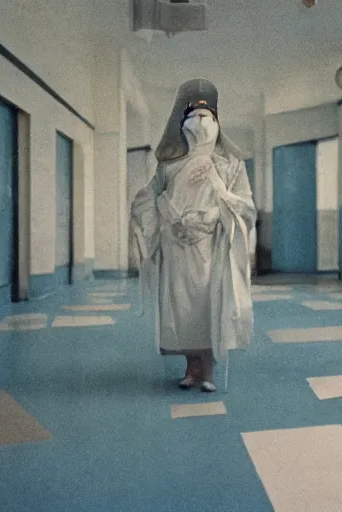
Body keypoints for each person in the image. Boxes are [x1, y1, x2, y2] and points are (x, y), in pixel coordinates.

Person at [129, 78, 256, 393]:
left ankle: (209, 370)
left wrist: (214, 208)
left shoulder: (230, 165)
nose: (199, 120)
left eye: (207, 114)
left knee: (208, 306)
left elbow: (246, 206)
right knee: (182, 308)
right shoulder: (169, 165)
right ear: (182, 121)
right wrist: (172, 217)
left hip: (212, 248)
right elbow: (146, 199)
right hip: (177, 248)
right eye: (192, 114)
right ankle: (190, 368)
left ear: (216, 120)